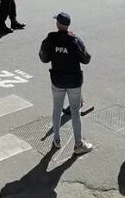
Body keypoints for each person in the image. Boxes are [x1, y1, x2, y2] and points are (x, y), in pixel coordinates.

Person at [39, 12, 94, 155]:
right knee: (75, 112)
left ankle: (56, 140)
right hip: (74, 82)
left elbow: (43, 58)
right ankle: (78, 144)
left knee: (56, 109)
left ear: (58, 24)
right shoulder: (75, 40)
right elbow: (86, 59)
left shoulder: (51, 39)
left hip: (57, 80)